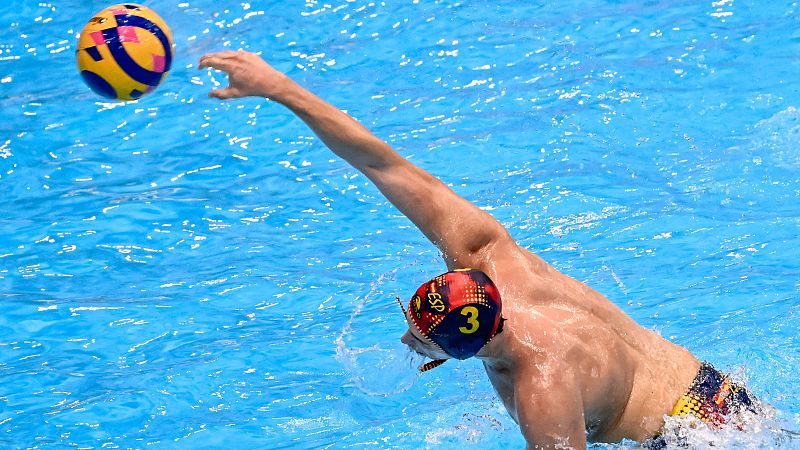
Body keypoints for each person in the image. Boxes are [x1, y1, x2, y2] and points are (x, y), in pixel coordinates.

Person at [198, 50, 759, 449]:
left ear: (462, 351)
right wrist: (279, 88)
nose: (404, 340)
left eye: (417, 336)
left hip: (687, 441)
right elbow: (380, 163)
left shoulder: (541, 387)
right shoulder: (488, 253)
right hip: (718, 393)